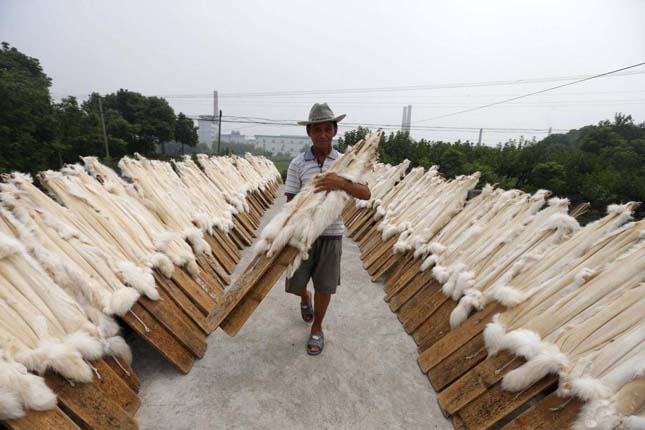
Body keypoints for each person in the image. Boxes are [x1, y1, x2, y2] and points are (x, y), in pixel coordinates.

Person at [284, 102, 371, 356]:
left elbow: (365, 192)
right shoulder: (298, 164)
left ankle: (317, 329)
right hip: (302, 235)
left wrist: (339, 182)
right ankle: (304, 297)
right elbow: (289, 201)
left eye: (327, 129)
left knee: (325, 285)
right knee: (294, 282)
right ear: (309, 132)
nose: (323, 134)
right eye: (317, 129)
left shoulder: (346, 163)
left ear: (335, 131)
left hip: (332, 234)